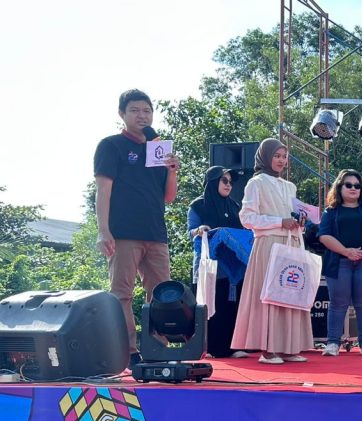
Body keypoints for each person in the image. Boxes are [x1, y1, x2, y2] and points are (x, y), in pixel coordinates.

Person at [93, 89, 179, 368]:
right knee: (122, 294)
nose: (142, 116)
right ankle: (128, 351)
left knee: (162, 294)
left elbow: (168, 197)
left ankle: (157, 348)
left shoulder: (158, 148)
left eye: (147, 111)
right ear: (122, 114)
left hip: (156, 233)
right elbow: (103, 190)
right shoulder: (111, 145)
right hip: (123, 232)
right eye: (135, 110)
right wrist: (103, 231)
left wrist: (172, 171)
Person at [230, 139, 314, 364]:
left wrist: (299, 222)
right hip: (269, 244)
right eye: (277, 156)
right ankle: (268, 349)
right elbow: (247, 218)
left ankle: (289, 347)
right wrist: (279, 222)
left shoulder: (290, 186)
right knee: (269, 295)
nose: (281, 160)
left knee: (290, 293)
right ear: (265, 157)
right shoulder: (256, 183)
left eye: (284, 156)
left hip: (291, 243)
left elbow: (291, 216)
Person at [318, 169, 362, 357]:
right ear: (339, 187)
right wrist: (346, 251)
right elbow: (324, 236)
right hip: (339, 262)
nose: (353, 188)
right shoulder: (331, 211)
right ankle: (332, 343)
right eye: (348, 185)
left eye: (357, 185)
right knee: (338, 304)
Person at [187, 166, 249, 358]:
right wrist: (200, 230)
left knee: (229, 304)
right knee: (209, 305)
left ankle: (232, 347)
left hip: (231, 266)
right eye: (224, 181)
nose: (229, 185)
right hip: (209, 264)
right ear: (213, 182)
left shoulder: (234, 206)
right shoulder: (198, 205)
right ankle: (209, 348)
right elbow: (191, 232)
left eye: (230, 182)